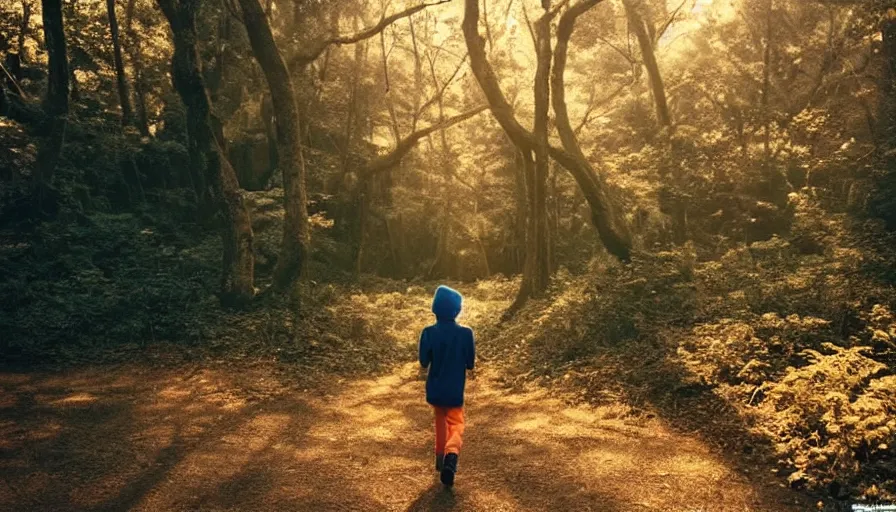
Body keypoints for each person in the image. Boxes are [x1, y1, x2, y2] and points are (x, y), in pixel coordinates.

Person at [418, 285, 476, 487]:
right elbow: (470, 363)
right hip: (454, 389)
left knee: (440, 421)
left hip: (434, 388)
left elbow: (424, 361)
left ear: (435, 308)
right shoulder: (466, 333)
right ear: (457, 310)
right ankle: (451, 456)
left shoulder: (428, 332)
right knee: (456, 424)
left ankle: (440, 458)